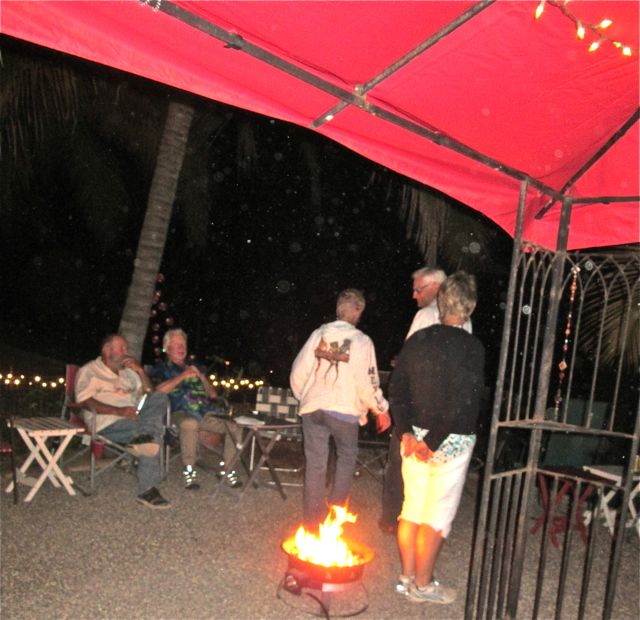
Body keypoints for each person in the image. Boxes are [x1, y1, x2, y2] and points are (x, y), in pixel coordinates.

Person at [389, 271, 484, 604]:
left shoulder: (418, 340)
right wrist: (431, 441)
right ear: (470, 305)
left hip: (414, 437)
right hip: (450, 441)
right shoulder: (471, 348)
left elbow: (397, 389)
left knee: (413, 507)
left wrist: (406, 432)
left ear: (441, 302)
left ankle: (406, 578)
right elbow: (463, 400)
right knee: (437, 513)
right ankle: (423, 585)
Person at [380, 267, 472, 534]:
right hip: (447, 410)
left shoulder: (424, 316)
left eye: (419, 289)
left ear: (436, 288)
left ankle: (394, 519)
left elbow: (408, 361)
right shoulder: (466, 322)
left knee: (401, 462)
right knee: (438, 471)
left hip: (417, 404)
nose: (414, 295)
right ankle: (427, 523)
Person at [290, 288, 391, 530]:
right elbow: (366, 382)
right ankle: (335, 517)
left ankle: (313, 524)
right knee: (346, 456)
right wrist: (381, 409)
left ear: (338, 309)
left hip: (313, 409)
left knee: (315, 465)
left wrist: (305, 396)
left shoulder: (319, 334)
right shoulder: (361, 341)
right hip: (343, 411)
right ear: (358, 310)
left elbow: (298, 371)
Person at [75, 334, 171, 509]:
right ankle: (147, 490)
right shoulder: (90, 371)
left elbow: (149, 392)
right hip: (108, 422)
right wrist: (118, 411)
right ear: (107, 350)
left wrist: (140, 371)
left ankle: (143, 437)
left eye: (127, 348)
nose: (127, 352)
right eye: (122, 348)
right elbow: (84, 401)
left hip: (137, 418)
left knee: (159, 397)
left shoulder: (128, 373)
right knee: (152, 435)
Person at [151, 328, 241, 490]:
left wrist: (202, 377)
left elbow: (213, 395)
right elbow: (158, 391)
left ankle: (227, 469)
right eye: (177, 344)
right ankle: (189, 470)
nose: (182, 348)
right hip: (178, 412)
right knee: (190, 423)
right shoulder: (162, 367)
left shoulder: (195, 367)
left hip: (204, 412)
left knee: (234, 426)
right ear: (167, 347)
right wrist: (183, 376)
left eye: (184, 344)